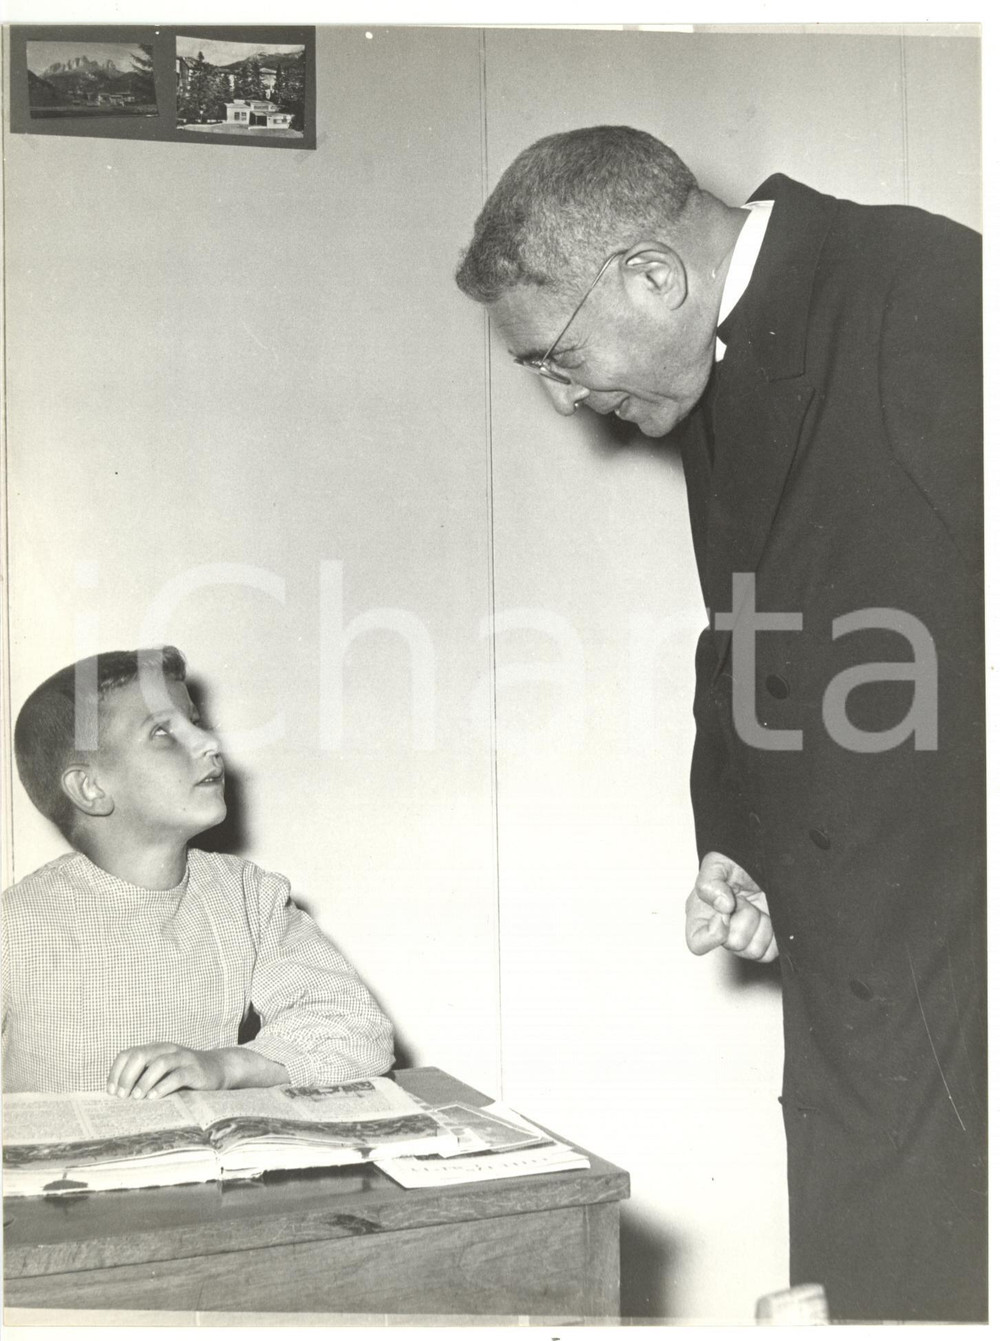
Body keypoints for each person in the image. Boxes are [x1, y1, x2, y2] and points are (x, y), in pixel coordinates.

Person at [455, 126, 984, 1323]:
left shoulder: (924, 287)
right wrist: (741, 835)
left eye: (559, 355)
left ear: (651, 273)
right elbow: (746, 634)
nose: (564, 397)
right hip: (856, 970)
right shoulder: (711, 363)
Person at [3, 645, 395, 1098]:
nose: (209, 743)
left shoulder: (248, 897)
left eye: (198, 723)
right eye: (162, 732)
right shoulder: (16, 926)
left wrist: (226, 1066)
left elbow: (359, 1030)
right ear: (90, 788)